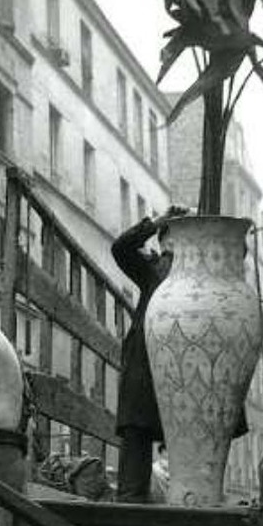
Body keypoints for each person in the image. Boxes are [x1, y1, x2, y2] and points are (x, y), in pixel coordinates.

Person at [111, 205, 187, 502]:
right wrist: (155, 223)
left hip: (179, 374)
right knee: (136, 445)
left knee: (177, 451)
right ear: (165, 240)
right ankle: (132, 506)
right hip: (149, 369)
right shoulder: (153, 269)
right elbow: (121, 248)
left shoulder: (200, 269)